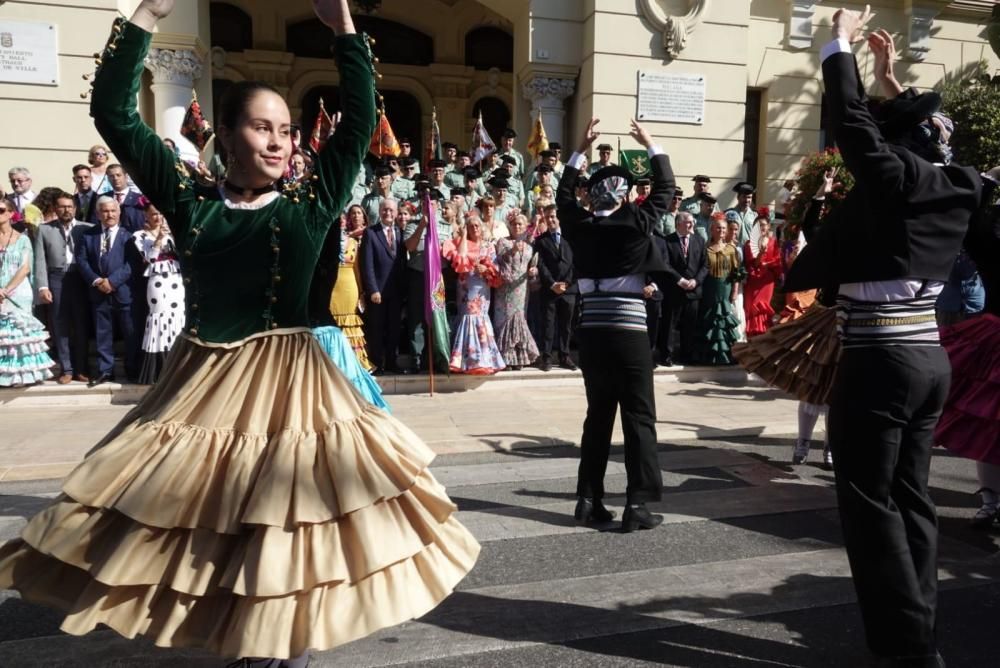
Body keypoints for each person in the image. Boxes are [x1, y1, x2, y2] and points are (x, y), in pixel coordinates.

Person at [0, 3, 478, 667]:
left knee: (293, 525)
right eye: (262, 127)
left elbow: (359, 125)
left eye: (285, 130)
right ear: (225, 136)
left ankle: (284, 649)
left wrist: (344, 33)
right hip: (205, 391)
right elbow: (114, 115)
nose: (279, 141)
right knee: (206, 527)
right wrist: (145, 15)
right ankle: (243, 641)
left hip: (300, 389)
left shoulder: (313, 205)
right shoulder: (192, 203)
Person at [781, 11, 994, 666]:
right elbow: (921, 132)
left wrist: (837, 45)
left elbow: (853, 125)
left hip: (879, 360)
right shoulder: (962, 186)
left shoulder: (897, 178)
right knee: (911, 499)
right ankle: (920, 634)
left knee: (872, 508)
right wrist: (890, 76)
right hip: (929, 358)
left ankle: (907, 654)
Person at [557, 117, 672, 533]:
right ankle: (637, 504)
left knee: (598, 416)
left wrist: (579, 150)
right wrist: (651, 143)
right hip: (628, 332)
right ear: (625, 197)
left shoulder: (578, 224)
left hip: (591, 332)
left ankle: (588, 500)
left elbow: (562, 195)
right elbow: (666, 189)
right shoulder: (637, 223)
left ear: (593, 196)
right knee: (639, 417)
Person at [75, 196, 137, 385]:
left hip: (123, 292)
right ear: (98, 214)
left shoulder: (130, 236)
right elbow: (82, 261)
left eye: (112, 211)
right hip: (98, 292)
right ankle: (105, 371)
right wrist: (96, 281)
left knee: (130, 333)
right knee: (103, 333)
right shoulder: (88, 235)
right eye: (105, 211)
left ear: (119, 212)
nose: (109, 214)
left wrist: (112, 281)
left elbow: (131, 263)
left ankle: (133, 369)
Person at [34, 192, 93, 384]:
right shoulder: (44, 229)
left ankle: (81, 369)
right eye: (62, 206)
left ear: (75, 209)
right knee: (60, 325)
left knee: (81, 325)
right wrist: (43, 286)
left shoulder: (87, 229)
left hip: (80, 278)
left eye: (69, 206)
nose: (66, 210)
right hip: (56, 278)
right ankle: (66, 369)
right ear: (55, 209)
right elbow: (40, 260)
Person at [0, 198, 54, 386]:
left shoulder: (22, 239)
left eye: (1, 210)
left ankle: (21, 375)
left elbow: (25, 268)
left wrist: (6, 290)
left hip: (17, 290)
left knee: (17, 332)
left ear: (10, 213)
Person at [443, 212, 505, 374]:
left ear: (482, 227)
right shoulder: (460, 242)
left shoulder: (489, 246)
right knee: (467, 316)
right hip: (465, 286)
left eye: (477, 225)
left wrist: (486, 269)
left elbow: (497, 269)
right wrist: (463, 236)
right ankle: (466, 360)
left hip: (482, 287)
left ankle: (483, 359)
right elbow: (460, 258)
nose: (474, 228)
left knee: (480, 317)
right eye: (470, 226)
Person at [131, 197, 184, 384]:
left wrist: (174, 236)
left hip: (176, 279)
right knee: (160, 318)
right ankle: (158, 368)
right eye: (154, 214)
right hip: (157, 281)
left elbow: (184, 255)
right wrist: (160, 238)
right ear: (146, 215)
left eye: (160, 214)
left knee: (178, 317)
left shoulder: (173, 233)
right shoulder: (139, 236)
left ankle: (178, 362)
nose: (158, 218)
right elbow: (150, 258)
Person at [403, 191, 453, 374]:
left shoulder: (445, 227)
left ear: (438, 206)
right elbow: (409, 246)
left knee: (438, 317)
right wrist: (422, 226)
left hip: (439, 277)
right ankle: (417, 359)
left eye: (432, 204)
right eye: (426, 204)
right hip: (418, 275)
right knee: (417, 317)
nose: (429, 207)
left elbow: (451, 251)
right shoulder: (413, 224)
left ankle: (439, 358)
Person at [361, 198, 406, 374]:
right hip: (378, 291)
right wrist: (372, 289)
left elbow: (401, 262)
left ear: (396, 213)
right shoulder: (371, 233)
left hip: (396, 290)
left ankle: (392, 363)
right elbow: (367, 264)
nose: (388, 213)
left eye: (391, 210)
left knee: (394, 328)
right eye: (385, 210)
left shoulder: (400, 232)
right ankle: (377, 363)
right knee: (377, 328)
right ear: (380, 212)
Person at [533, 204, 577, 372]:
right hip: (549, 289)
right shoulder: (541, 240)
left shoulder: (570, 238)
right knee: (548, 323)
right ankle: (547, 356)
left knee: (566, 324)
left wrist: (567, 283)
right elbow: (541, 265)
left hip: (569, 289)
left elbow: (575, 263)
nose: (550, 220)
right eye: (547, 217)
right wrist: (552, 284)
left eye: (553, 216)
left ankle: (565, 355)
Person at [659, 211, 707, 366]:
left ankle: (687, 355)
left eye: (692, 221)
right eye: (687, 222)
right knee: (669, 325)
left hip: (693, 291)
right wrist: (679, 280)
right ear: (678, 223)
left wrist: (696, 281)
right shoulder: (667, 241)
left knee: (690, 325)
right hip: (674, 290)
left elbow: (705, 265)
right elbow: (665, 264)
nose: (691, 224)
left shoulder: (699, 241)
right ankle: (666, 355)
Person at [493, 213, 539, 370]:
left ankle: (518, 357)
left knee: (520, 320)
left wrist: (533, 271)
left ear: (525, 226)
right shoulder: (503, 242)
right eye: (514, 224)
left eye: (520, 224)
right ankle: (504, 357)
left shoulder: (529, 247)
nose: (517, 226)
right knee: (504, 321)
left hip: (521, 288)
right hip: (505, 288)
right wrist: (512, 250)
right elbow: (500, 258)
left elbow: (530, 265)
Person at [695, 214, 740, 365]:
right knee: (709, 318)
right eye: (718, 228)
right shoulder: (705, 249)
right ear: (712, 230)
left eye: (723, 228)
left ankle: (725, 356)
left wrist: (734, 291)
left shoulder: (731, 250)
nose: (721, 230)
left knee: (723, 318)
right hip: (709, 289)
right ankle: (708, 355)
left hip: (725, 288)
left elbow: (736, 273)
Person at [742, 211, 782, 338]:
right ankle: (751, 339)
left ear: (769, 226)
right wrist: (761, 254)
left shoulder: (773, 242)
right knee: (752, 308)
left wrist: (768, 264)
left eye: (764, 224)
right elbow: (752, 264)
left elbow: (777, 260)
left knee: (763, 308)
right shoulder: (749, 244)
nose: (761, 227)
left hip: (766, 281)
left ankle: (763, 338)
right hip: (754, 280)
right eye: (758, 225)